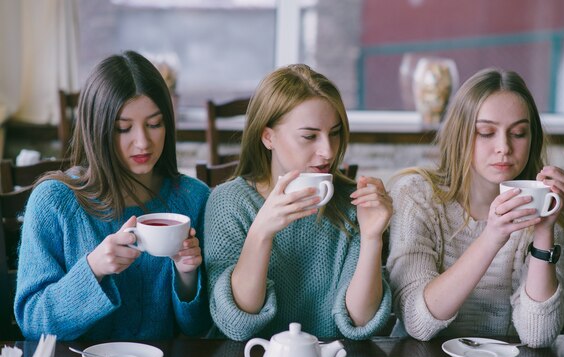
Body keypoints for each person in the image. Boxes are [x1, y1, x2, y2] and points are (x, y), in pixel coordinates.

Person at [14, 50, 211, 341]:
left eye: (155, 124)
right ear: (97, 130)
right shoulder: (53, 202)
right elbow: (32, 324)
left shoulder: (193, 199)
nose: (143, 142)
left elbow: (200, 329)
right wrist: (93, 268)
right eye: (123, 128)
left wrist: (186, 275)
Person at [387, 68, 564, 348]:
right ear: (461, 135)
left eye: (519, 133)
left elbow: (538, 334)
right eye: (486, 132)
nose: (504, 147)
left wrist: (545, 231)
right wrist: (492, 237)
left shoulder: (547, 203)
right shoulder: (416, 195)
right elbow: (417, 321)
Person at [204, 64, 392, 341]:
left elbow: (360, 322)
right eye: (309, 136)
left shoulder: (354, 204)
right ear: (268, 137)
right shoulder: (228, 202)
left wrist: (372, 237)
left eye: (335, 132)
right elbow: (237, 324)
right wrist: (261, 232)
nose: (328, 151)